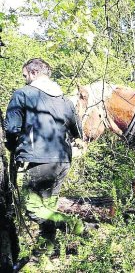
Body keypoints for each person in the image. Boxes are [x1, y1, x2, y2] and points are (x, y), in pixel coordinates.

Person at [4, 58, 85, 254]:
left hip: (39, 160)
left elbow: (12, 129)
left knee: (32, 207)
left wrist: (14, 148)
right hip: (63, 161)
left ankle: (77, 226)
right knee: (48, 207)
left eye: (25, 75)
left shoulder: (23, 94)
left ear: (33, 73)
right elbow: (79, 132)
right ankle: (45, 252)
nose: (24, 79)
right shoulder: (65, 101)